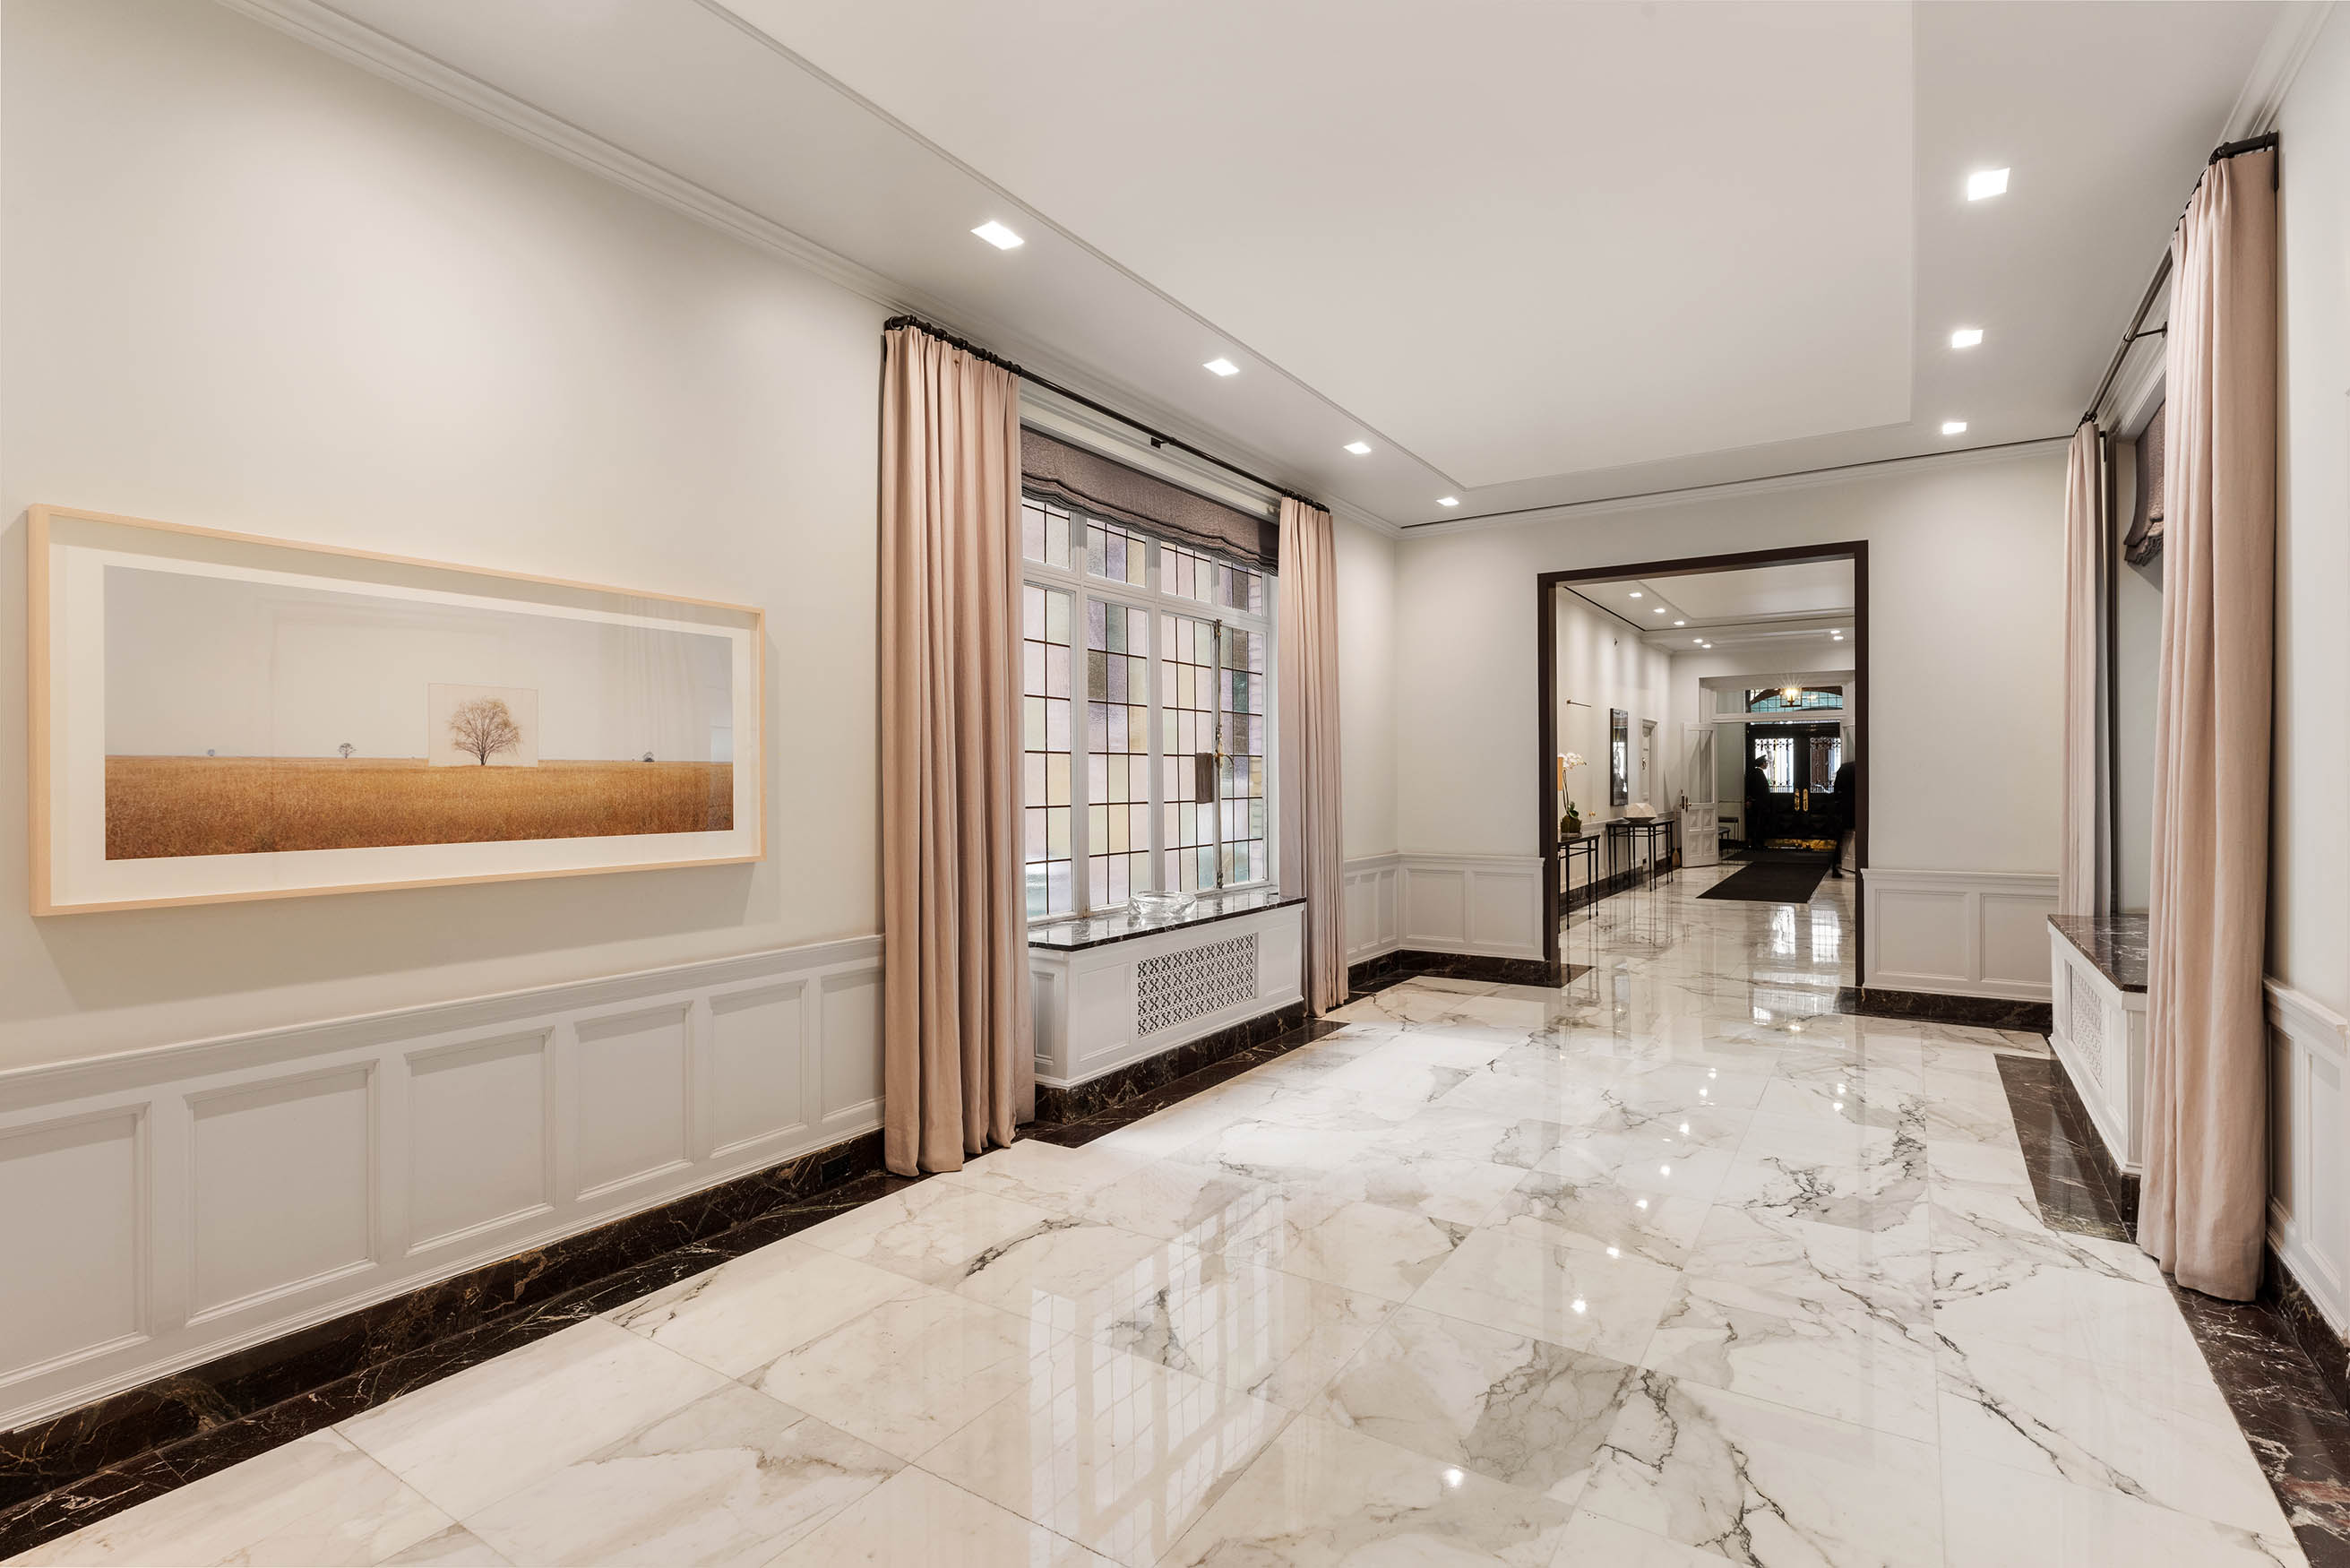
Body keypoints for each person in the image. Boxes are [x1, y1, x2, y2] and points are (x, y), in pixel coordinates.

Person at [1828, 756, 1857, 878]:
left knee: (1841, 840)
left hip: (1843, 809)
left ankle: (1836, 866)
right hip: (1856, 808)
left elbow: (1836, 790)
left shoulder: (1844, 768)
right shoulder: (1861, 768)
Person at [1743, 754, 1769, 850]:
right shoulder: (1758, 774)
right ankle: (1756, 843)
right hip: (1759, 803)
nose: (1767, 764)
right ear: (1762, 764)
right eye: (1766, 762)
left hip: (1759, 803)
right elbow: (1756, 789)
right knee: (1758, 823)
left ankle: (1758, 842)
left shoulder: (1757, 773)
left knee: (1759, 823)